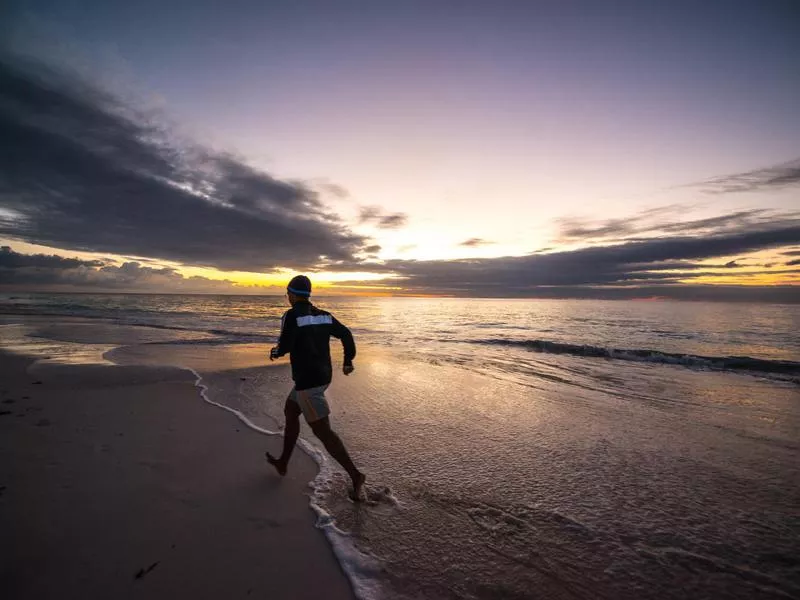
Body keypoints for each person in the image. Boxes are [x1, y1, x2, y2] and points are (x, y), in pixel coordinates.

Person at [266, 275, 366, 500]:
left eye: (288, 293)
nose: (288, 297)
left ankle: (356, 475)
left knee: (324, 433)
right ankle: (283, 461)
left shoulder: (291, 316)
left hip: (307, 384)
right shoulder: (324, 316)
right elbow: (346, 334)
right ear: (308, 295)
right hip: (323, 377)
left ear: (291, 295)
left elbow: (285, 346)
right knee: (291, 410)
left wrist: (275, 352)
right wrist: (348, 361)